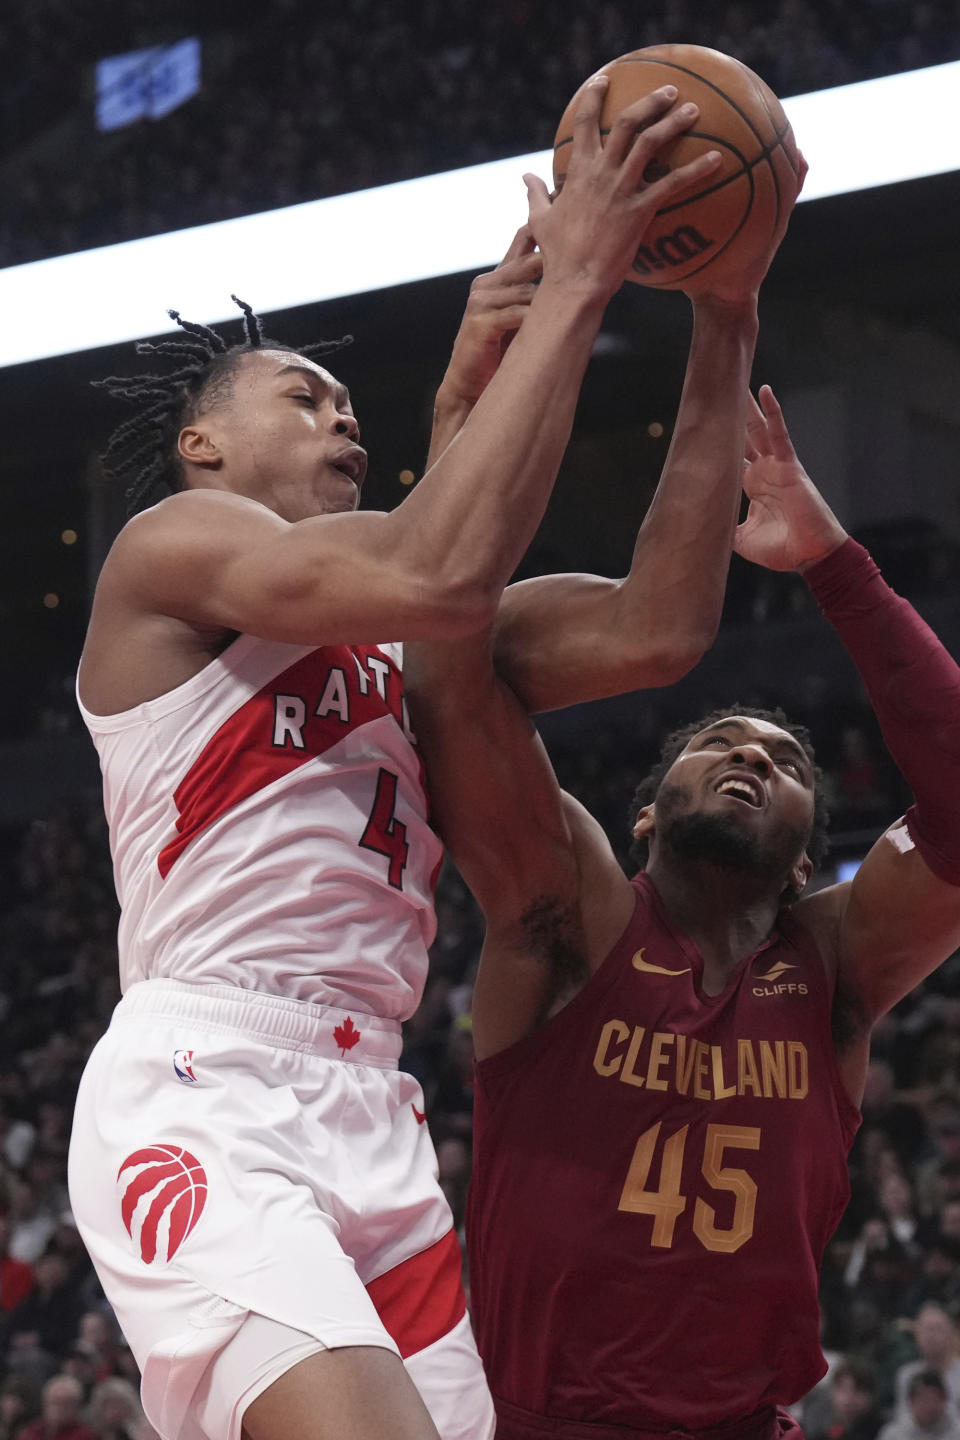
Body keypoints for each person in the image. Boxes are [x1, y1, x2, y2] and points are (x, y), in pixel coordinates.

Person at [68, 79, 751, 1440]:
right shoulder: (174, 549)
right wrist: (580, 284)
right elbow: (434, 564)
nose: (339, 418)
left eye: (346, 405)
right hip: (211, 1082)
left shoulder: (417, 641)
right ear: (206, 446)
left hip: (374, 1107)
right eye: (302, 396)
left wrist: (725, 310)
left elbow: (660, 624)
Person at [404, 387, 960, 1438]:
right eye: (721, 745)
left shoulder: (834, 969)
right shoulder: (573, 914)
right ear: (648, 819)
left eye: (787, 762)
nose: (753, 753)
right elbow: (452, 686)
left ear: (803, 858)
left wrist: (837, 566)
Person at [879, 1372, 960, 1440]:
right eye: (924, 1400)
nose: (930, 1406)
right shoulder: (893, 1435)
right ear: (910, 1401)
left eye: (936, 1399)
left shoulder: (957, 1431)